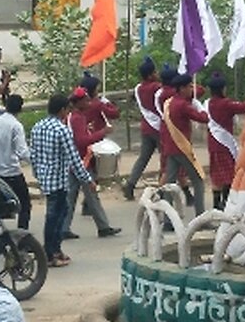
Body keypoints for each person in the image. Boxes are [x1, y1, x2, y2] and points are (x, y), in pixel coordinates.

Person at [30, 94, 94, 267]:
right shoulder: (61, 129)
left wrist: (38, 174)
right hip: (58, 180)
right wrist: (87, 179)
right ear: (62, 110)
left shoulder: (38, 126)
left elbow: (33, 154)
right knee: (54, 216)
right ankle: (50, 253)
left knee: (61, 211)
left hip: (45, 178)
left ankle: (55, 250)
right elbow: (74, 157)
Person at [61, 88, 120, 239]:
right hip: (82, 161)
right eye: (86, 100)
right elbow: (81, 141)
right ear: (78, 102)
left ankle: (63, 227)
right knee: (91, 195)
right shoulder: (77, 118)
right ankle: (103, 227)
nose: (89, 102)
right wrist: (102, 133)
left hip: (74, 161)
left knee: (71, 196)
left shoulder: (73, 116)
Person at [160, 73, 210, 215]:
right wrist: (199, 107)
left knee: (169, 184)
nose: (191, 90)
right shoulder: (183, 105)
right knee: (198, 181)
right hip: (182, 148)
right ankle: (201, 216)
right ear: (181, 88)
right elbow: (203, 118)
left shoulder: (169, 102)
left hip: (170, 147)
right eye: (189, 87)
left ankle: (167, 218)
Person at [0, 94, 33, 230]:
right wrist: (36, 160)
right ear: (20, 109)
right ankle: (22, 235)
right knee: (25, 204)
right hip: (11, 172)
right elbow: (22, 152)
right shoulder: (16, 126)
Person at [204, 72, 245, 210]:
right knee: (229, 175)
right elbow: (244, 107)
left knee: (216, 175)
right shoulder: (226, 104)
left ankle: (216, 204)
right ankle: (226, 202)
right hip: (225, 146)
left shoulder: (208, 103)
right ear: (222, 89)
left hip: (212, 144)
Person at [123, 56, 162, 200]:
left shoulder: (138, 88)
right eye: (155, 71)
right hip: (159, 128)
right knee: (166, 159)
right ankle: (163, 188)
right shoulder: (157, 87)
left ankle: (130, 184)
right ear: (151, 74)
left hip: (146, 126)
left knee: (143, 158)